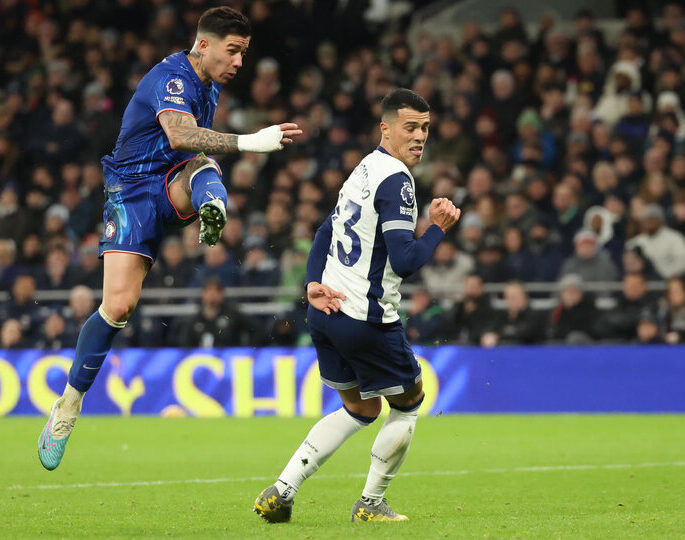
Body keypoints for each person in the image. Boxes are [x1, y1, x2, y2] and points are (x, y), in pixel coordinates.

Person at [38, 7, 302, 471]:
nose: (240, 61)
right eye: (234, 50)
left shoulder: (211, 83)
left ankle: (211, 205)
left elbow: (190, 149)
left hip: (173, 182)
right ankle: (67, 406)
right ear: (204, 45)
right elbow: (179, 134)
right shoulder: (173, 77)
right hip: (132, 192)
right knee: (118, 306)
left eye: (244, 52)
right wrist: (249, 142)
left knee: (205, 166)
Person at [253, 89, 460, 524]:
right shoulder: (397, 180)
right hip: (365, 318)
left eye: (425, 128)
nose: (420, 136)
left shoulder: (365, 167)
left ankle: (282, 491)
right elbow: (405, 262)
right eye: (410, 127)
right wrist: (438, 229)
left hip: (325, 313)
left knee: (361, 408)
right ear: (385, 128)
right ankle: (370, 504)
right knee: (409, 402)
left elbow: (325, 231)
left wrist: (312, 282)